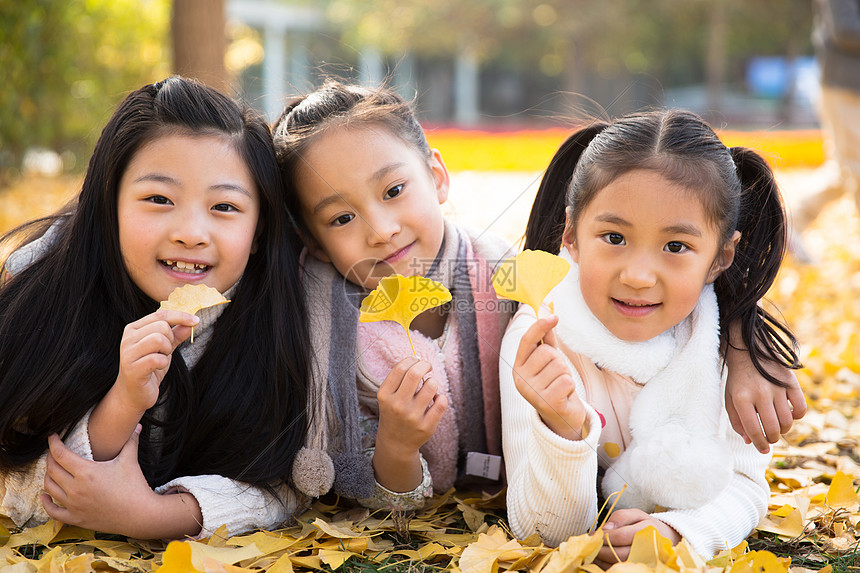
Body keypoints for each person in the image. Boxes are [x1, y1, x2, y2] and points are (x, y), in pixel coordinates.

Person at [0, 76, 316, 539]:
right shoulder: (48, 295)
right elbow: (18, 488)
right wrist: (125, 400)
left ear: (259, 229)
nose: (191, 231)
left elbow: (282, 482)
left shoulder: (280, 313)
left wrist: (150, 515)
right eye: (158, 199)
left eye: (225, 206)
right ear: (109, 207)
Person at [500, 110, 802, 560]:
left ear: (721, 258)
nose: (639, 276)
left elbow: (744, 486)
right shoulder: (539, 339)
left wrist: (679, 533)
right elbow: (542, 531)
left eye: (675, 246)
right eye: (614, 237)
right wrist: (561, 426)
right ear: (571, 235)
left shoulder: (726, 347)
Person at [273, 81, 516, 510]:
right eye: (342, 217)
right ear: (312, 241)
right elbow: (378, 494)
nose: (381, 231)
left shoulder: (503, 276)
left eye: (394, 191)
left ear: (437, 177)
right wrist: (396, 448)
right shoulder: (324, 333)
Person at [790, 0, 860, 250]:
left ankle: (790, 223)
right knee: (856, 167)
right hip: (845, 88)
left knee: (844, 169)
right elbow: (844, 29)